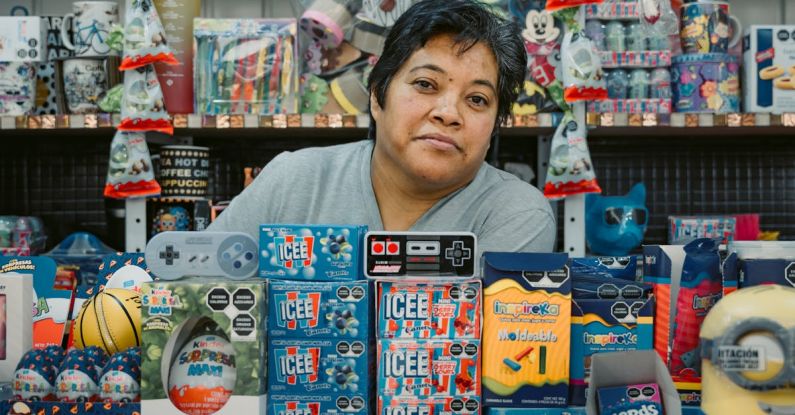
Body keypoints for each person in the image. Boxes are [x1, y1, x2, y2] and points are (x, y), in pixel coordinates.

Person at [208, 0, 556, 254]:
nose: (449, 113)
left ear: (496, 124)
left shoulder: (517, 213)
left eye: (477, 99)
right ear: (377, 96)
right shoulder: (293, 182)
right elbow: (193, 297)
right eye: (425, 84)